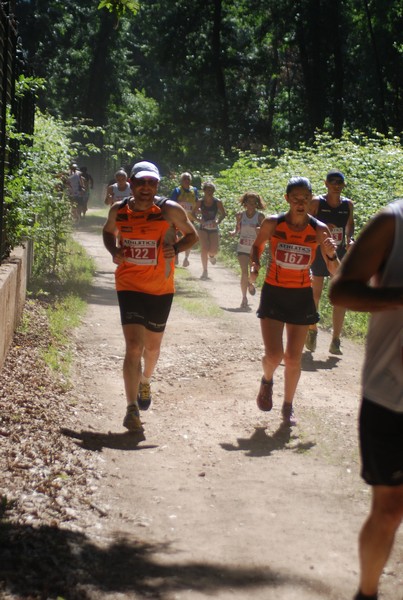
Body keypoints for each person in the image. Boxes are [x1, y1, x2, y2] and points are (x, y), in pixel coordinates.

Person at [329, 198, 403, 600]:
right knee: (390, 509)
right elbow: (341, 290)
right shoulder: (394, 221)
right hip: (392, 396)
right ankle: (367, 593)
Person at [102, 161, 198, 433]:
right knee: (133, 346)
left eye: (152, 183)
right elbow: (108, 233)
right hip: (128, 284)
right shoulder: (119, 211)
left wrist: (176, 248)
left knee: (152, 350)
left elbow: (193, 235)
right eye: (141, 182)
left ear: (157, 186)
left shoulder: (169, 210)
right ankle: (131, 408)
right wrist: (114, 251)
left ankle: (145, 380)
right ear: (131, 184)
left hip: (160, 288)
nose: (146, 188)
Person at [249, 177, 339, 425]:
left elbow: (335, 271)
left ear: (311, 200)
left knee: (293, 358)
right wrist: (255, 266)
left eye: (305, 198)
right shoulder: (273, 223)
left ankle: (288, 406)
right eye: (296, 198)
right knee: (274, 354)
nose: (301, 203)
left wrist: (331, 253)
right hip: (274, 292)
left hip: (301, 296)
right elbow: (257, 247)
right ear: (287, 199)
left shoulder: (319, 230)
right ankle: (267, 380)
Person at [305, 169, 354, 355]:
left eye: (339, 182)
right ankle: (312, 330)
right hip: (319, 252)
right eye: (332, 181)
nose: (336, 185)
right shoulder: (318, 202)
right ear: (326, 184)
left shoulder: (347, 204)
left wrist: (350, 239)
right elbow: (306, 222)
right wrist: (322, 229)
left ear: (343, 185)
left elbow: (350, 224)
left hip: (338, 252)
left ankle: (336, 340)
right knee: (315, 293)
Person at [231, 191, 266, 310]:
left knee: (254, 273)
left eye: (253, 202)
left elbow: (265, 233)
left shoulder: (260, 217)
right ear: (245, 203)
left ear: (257, 204)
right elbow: (238, 228)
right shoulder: (240, 215)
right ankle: (244, 298)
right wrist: (234, 233)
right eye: (249, 202)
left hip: (255, 249)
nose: (251, 204)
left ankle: (250, 283)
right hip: (242, 247)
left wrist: (259, 230)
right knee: (244, 273)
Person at [194, 181, 226, 280]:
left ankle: (211, 256)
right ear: (204, 191)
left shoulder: (217, 202)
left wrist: (217, 221)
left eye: (211, 190)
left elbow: (223, 214)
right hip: (203, 227)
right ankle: (205, 271)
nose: (209, 192)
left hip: (213, 227)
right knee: (204, 248)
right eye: (208, 190)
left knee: (213, 250)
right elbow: (192, 213)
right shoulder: (200, 201)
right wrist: (199, 220)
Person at [170, 172, 199, 266]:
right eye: (184, 179)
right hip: (178, 218)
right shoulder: (177, 190)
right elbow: (171, 203)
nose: (186, 181)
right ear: (181, 181)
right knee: (176, 238)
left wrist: (198, 211)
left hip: (189, 219)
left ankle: (186, 258)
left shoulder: (194, 190)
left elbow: (197, 203)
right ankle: (176, 256)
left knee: (190, 237)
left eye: (188, 179)